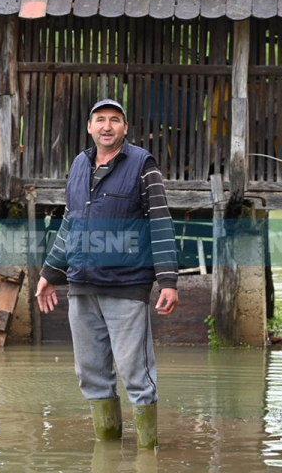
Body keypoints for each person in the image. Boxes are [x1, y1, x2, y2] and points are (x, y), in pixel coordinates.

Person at [35, 98, 179, 450]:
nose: (107, 126)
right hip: (81, 285)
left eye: (115, 120)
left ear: (125, 128)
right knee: (91, 374)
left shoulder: (143, 165)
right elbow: (70, 222)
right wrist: (49, 273)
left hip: (126, 285)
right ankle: (109, 450)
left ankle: (149, 453)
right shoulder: (79, 165)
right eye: (100, 120)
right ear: (89, 127)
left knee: (135, 373)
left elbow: (160, 223)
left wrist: (168, 281)